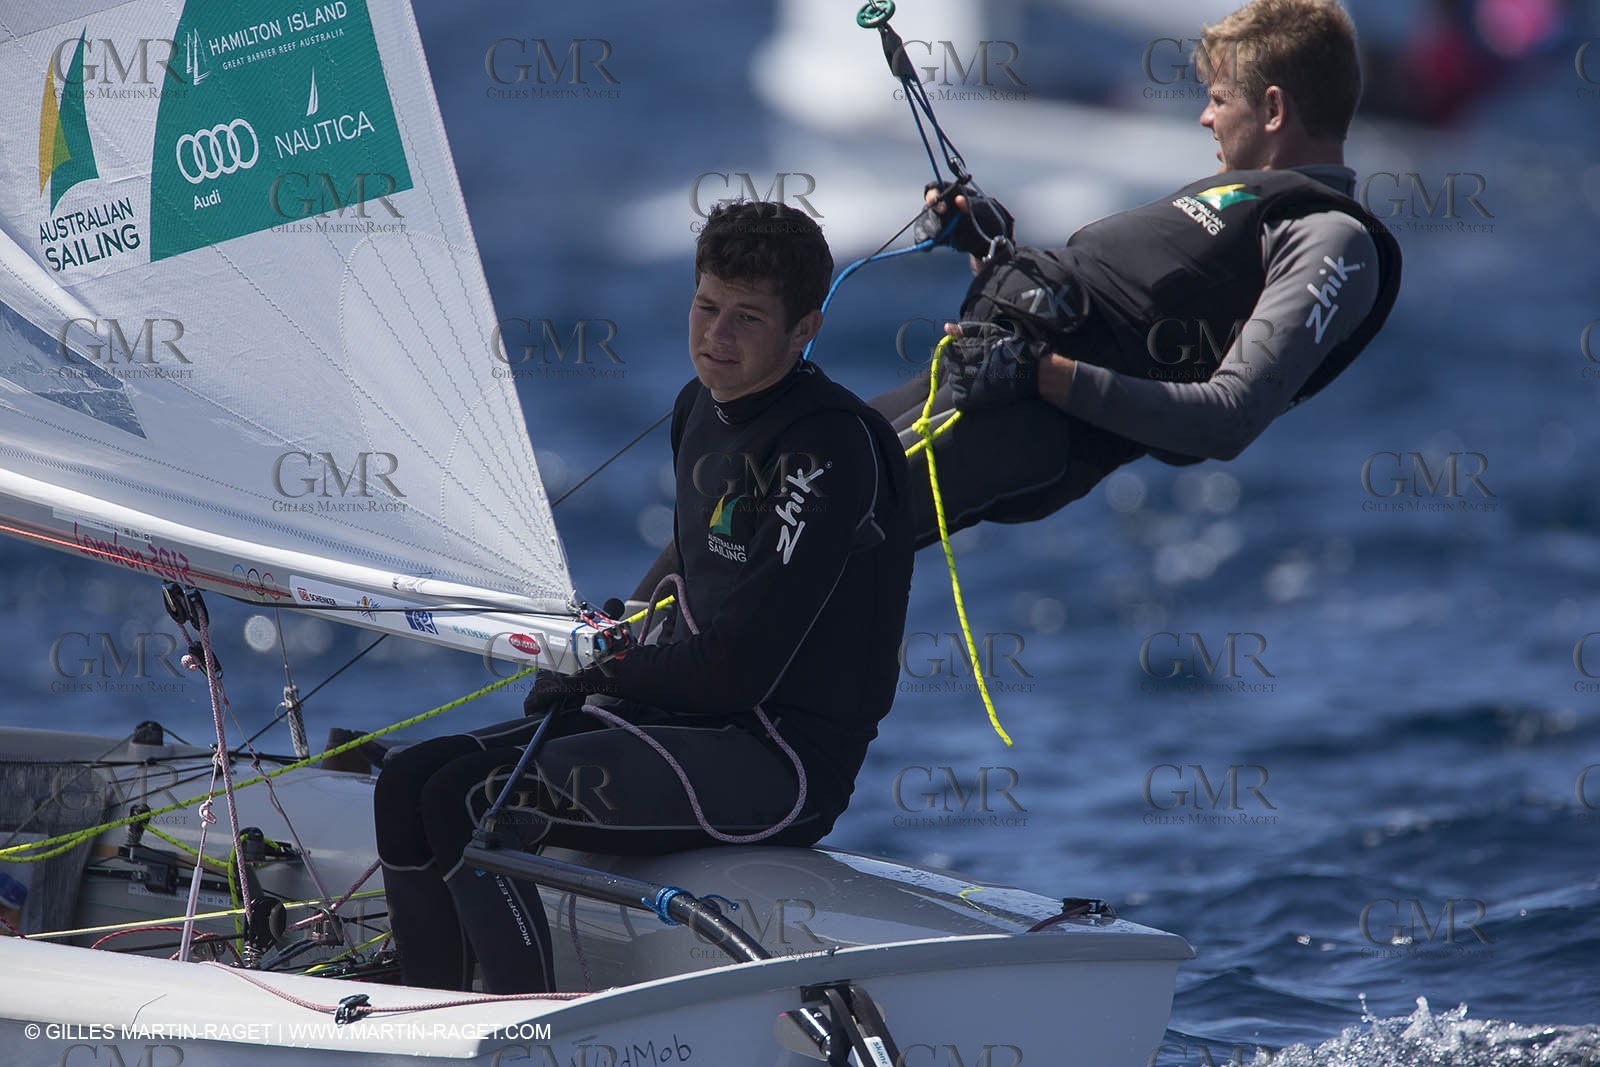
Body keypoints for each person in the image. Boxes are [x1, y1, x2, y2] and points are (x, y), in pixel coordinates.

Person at [373, 201, 913, 993]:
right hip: (687, 719)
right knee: (408, 780)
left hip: (778, 758)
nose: (716, 336)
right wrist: (591, 645)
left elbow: (737, 672)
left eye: (748, 318)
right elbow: (683, 577)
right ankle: (426, 1009)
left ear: (805, 330)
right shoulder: (700, 408)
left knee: (472, 798)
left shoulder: (824, 447)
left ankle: (527, 1024)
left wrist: (601, 672)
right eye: (706, 306)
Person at [869, 0, 1404, 548]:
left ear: (1273, 109)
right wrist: (984, 242)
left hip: (1019, 418)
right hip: (985, 379)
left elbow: (1229, 417)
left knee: (818, 512)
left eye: (1219, 99)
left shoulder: (1332, 238)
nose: (1206, 117)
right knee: (791, 455)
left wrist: (1037, 374)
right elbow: (1101, 307)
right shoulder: (1241, 197)